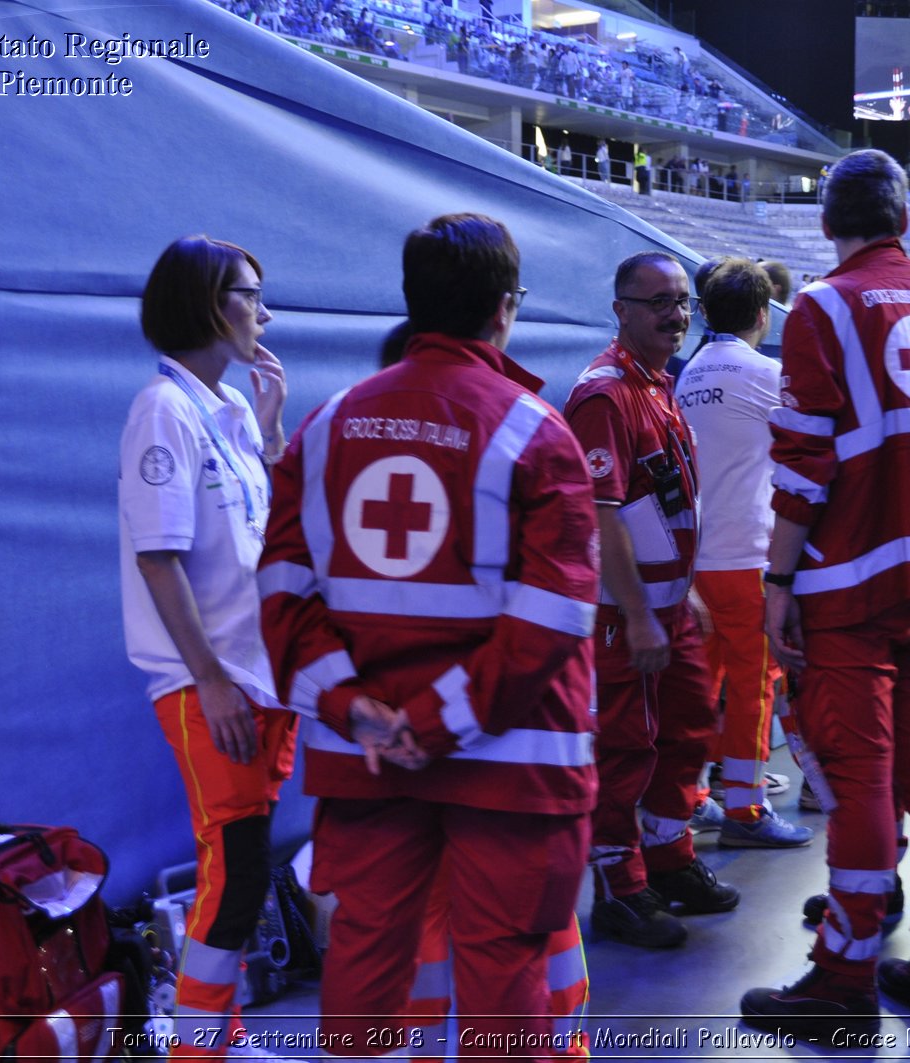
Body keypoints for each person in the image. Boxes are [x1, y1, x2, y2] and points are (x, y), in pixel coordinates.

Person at [258, 213, 599, 1050]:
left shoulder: (326, 425)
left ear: (412, 303)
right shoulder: (533, 430)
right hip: (510, 764)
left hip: (367, 760)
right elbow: (553, 615)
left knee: (367, 958)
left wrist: (359, 710)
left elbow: (279, 592)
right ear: (504, 308)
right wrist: (441, 720)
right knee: (502, 967)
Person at [740, 149, 910, 1037]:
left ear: (827, 223)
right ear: (904, 218)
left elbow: (803, 470)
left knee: (861, 783)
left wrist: (778, 580)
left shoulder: (821, 307)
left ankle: (843, 979)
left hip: (846, 587)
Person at [120, 235, 297, 1060]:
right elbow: (159, 559)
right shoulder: (163, 408)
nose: (263, 311)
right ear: (205, 303)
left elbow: (257, 539)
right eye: (248, 293)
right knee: (233, 871)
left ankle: (216, 1036)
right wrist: (212, 681)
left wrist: (267, 432)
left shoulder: (224, 411)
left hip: (257, 682)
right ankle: (198, 1049)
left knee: (245, 871)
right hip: (209, 686)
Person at [564, 251, 739, 949]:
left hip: (667, 605)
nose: (675, 315)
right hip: (622, 616)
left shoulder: (661, 384)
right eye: (659, 302)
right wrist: (637, 611)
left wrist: (682, 591)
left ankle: (669, 858)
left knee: (690, 724)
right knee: (626, 747)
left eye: (682, 303)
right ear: (622, 311)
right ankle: (620, 886)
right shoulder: (604, 395)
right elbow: (601, 517)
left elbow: (657, 502)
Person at [676, 258, 813, 850]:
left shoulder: (683, 377)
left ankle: (693, 798)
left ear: (702, 311)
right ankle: (747, 810)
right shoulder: (767, 375)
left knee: (702, 686)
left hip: (693, 562)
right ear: (764, 314)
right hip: (747, 559)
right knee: (756, 687)